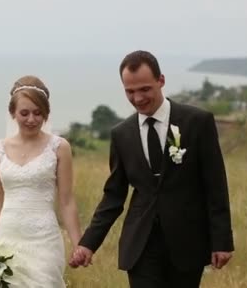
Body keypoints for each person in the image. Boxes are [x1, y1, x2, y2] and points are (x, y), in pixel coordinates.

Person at [70, 51, 234, 287]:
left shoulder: (197, 122)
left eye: (144, 89)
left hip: (187, 244)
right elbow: (114, 196)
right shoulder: (121, 135)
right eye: (130, 91)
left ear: (161, 81)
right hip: (140, 246)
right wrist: (88, 243)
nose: (137, 98)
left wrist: (222, 241)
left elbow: (215, 185)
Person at [0, 75, 82, 287]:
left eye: (38, 113)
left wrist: (78, 244)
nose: (32, 119)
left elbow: (67, 201)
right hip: (7, 238)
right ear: (12, 114)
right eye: (24, 113)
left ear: (46, 114)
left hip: (44, 242)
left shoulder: (59, 147)